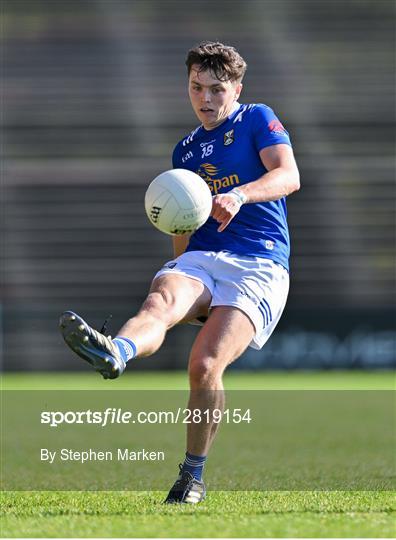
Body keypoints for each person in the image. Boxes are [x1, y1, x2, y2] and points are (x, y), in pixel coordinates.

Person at [59, 41, 300, 504]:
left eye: (216, 89)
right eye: (196, 88)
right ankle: (117, 351)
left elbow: (289, 175)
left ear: (237, 89)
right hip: (202, 257)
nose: (205, 99)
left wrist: (240, 196)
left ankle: (192, 477)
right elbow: (183, 227)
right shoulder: (185, 151)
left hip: (259, 261)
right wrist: (180, 273)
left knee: (204, 366)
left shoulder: (256, 118)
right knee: (160, 301)